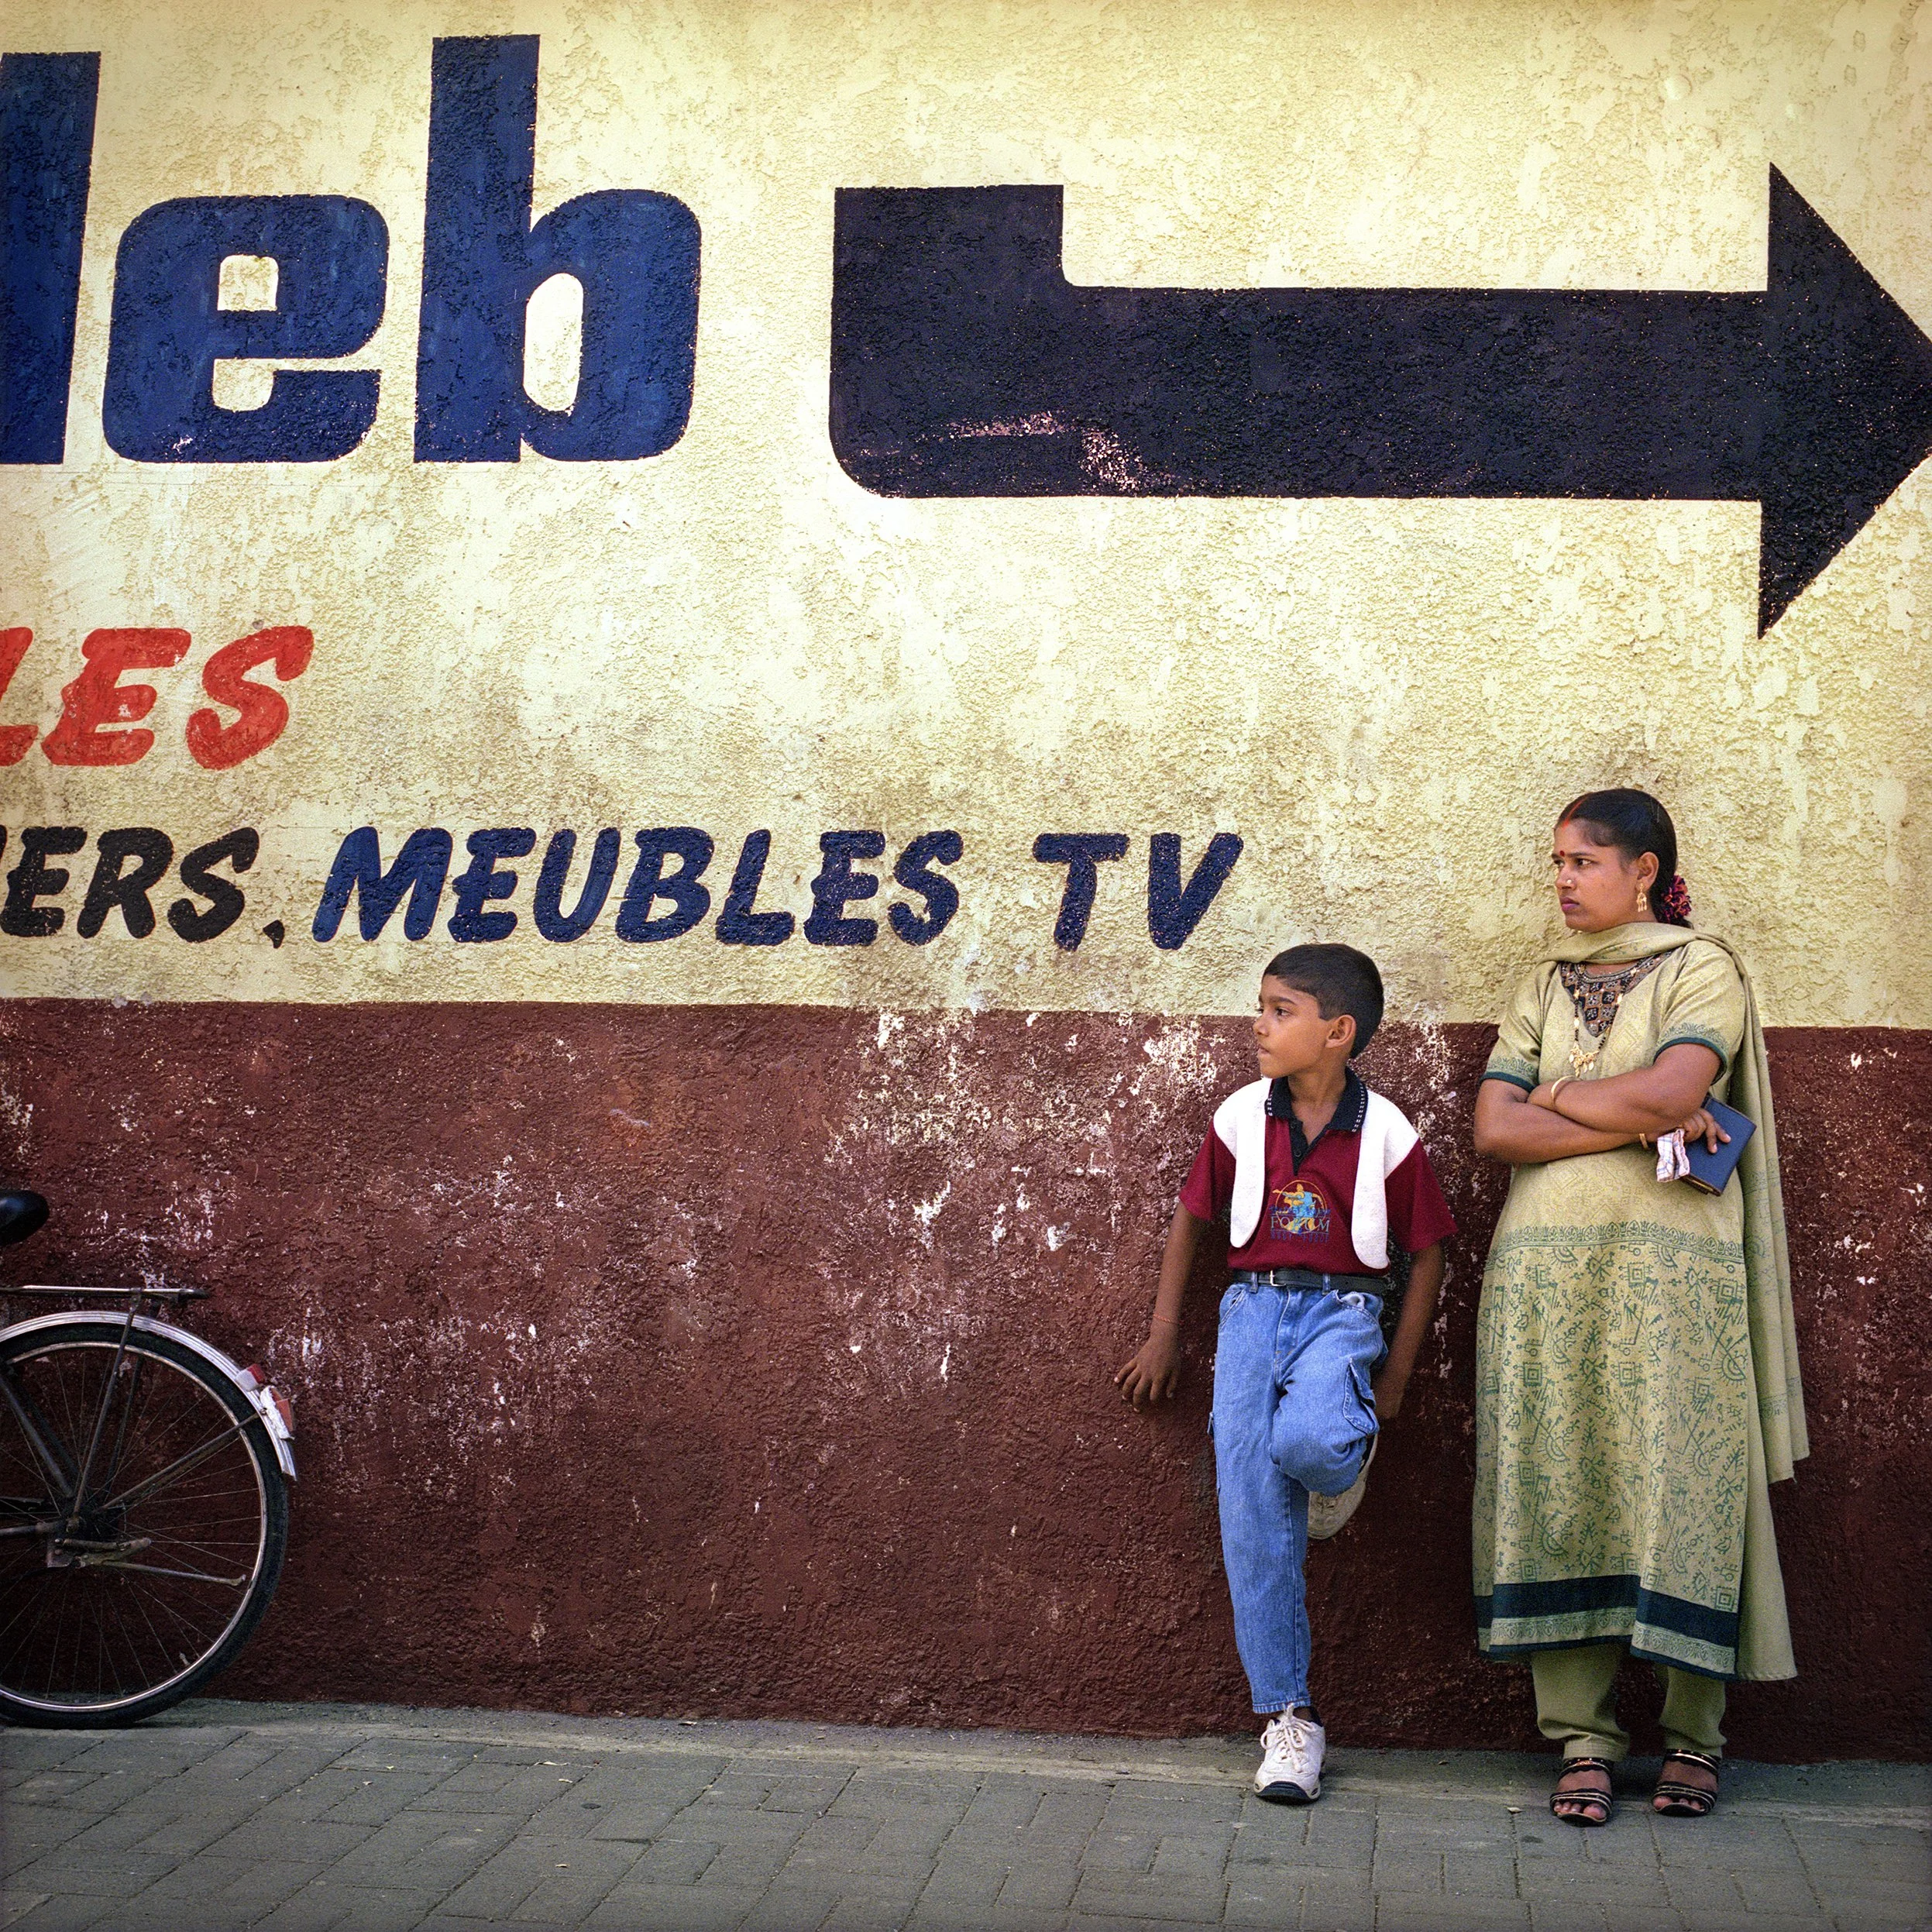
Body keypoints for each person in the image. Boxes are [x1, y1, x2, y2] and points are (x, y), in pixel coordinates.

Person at [1471, 788, 1807, 1827]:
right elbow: (1492, 1125)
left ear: (1643, 871)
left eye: (1583, 860)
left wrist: (1561, 1094)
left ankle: (1693, 1737)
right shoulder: (1539, 981)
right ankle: (1581, 1735)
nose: (1563, 879)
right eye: (1557, 861)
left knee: (1682, 1479)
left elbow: (1676, 1095)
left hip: (1673, 1281)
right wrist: (1620, 1103)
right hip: (1542, 1277)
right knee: (1562, 1477)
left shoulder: (1701, 967)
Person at [1116, 944, 1456, 1803]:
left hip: (1344, 1312)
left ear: (1336, 1032)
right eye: (1260, 1007)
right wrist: (1165, 1333)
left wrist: (1393, 1389)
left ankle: (1339, 1465)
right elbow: (1193, 1221)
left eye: (1279, 1010)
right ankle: (1289, 1720)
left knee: (1312, 1440)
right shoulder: (1239, 1117)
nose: (1258, 1025)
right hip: (1249, 1313)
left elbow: (1427, 1255)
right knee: (1251, 1516)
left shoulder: (1386, 1131)